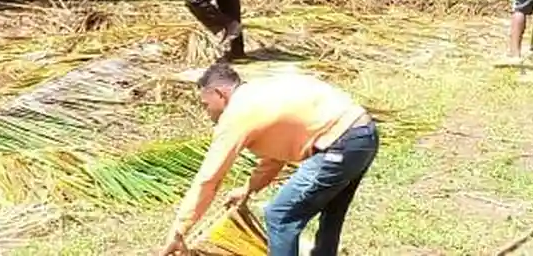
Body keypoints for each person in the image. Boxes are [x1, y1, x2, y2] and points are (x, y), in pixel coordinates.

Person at [158, 62, 377, 256]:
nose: (207, 112)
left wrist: (179, 230)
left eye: (206, 105)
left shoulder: (237, 113)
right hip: (363, 134)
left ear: (219, 94)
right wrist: (249, 188)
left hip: (341, 143)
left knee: (280, 215)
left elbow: (209, 180)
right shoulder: (258, 93)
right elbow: (276, 156)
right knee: (332, 213)